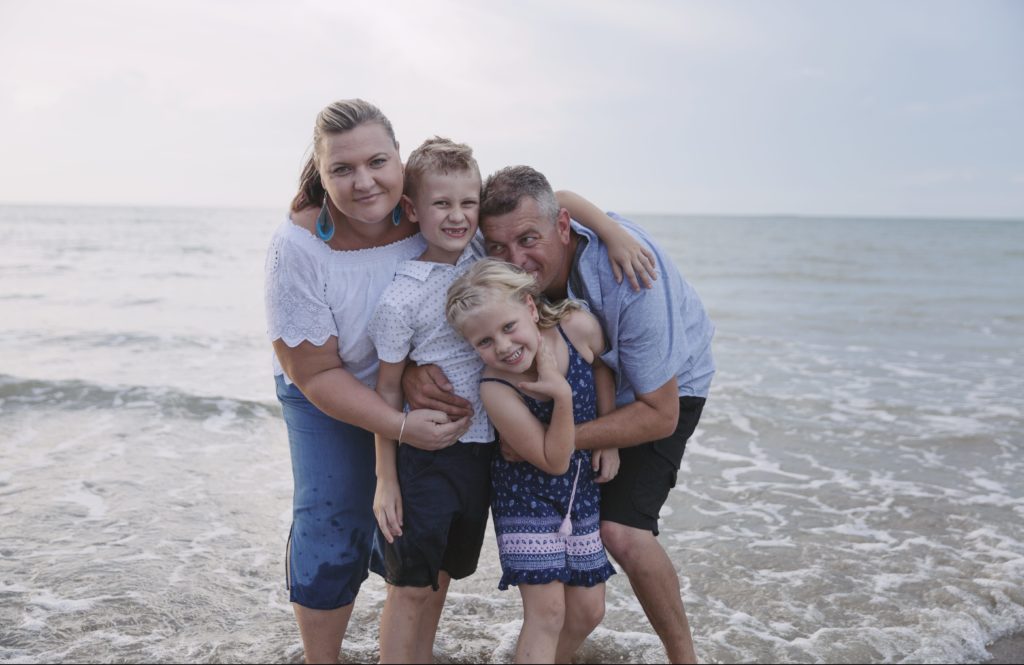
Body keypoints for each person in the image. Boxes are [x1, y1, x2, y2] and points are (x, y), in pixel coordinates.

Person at [405, 166, 715, 664]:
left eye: (530, 240)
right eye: (501, 246)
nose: (516, 260)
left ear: (563, 227)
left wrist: (573, 437)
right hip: (561, 417)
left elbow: (659, 414)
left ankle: (685, 659)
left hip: (664, 388)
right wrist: (408, 371)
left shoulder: (629, 281)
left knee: (624, 533)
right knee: (551, 609)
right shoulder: (505, 277)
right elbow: (555, 199)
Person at [366, 137, 654, 663]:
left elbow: (557, 199)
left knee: (442, 578)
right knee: (411, 585)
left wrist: (612, 233)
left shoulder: (483, 256)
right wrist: (385, 477)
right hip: (433, 455)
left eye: (466, 204)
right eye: (441, 204)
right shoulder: (403, 296)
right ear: (413, 209)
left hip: (482, 455)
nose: (456, 216)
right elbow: (385, 387)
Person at [264, 99, 471, 664]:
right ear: (321, 172)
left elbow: (517, 205)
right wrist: (401, 426)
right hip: (324, 391)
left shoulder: (431, 209)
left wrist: (606, 228)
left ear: (401, 157)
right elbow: (314, 373)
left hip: (407, 382)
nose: (364, 182)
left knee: (423, 521)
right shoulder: (298, 248)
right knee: (333, 524)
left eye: (378, 162)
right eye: (343, 169)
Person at [446, 259, 618, 664]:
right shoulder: (496, 387)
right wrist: (560, 395)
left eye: (508, 327)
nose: (503, 347)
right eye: (484, 342)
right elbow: (552, 460)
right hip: (524, 499)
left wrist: (609, 438)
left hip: (580, 493)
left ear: (529, 306)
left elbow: (603, 370)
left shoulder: (575, 327)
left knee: (589, 609)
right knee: (548, 613)